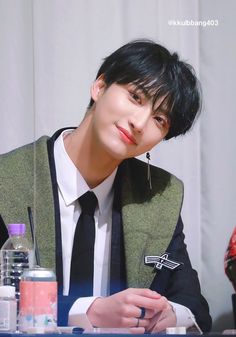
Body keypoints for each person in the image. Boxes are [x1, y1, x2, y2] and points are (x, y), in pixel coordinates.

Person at [0, 39, 212, 333]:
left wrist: (171, 313)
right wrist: (89, 312)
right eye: (136, 97)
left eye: (160, 119)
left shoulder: (159, 196)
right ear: (99, 87)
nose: (140, 122)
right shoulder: (8, 179)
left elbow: (192, 303)